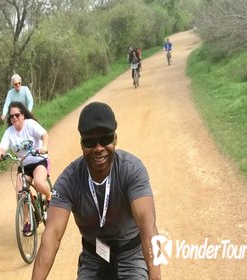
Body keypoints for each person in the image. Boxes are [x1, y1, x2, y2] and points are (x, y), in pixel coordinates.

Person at [31, 102, 161, 280]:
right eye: (90, 141)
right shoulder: (69, 180)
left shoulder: (131, 170)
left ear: (115, 139)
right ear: (82, 144)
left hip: (131, 255)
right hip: (94, 257)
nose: (98, 148)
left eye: (105, 139)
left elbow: (148, 228)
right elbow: (52, 236)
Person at [0, 101, 50, 236]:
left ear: (23, 115)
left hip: (39, 161)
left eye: (17, 115)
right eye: (11, 116)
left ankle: (49, 196)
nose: (14, 118)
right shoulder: (9, 133)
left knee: (38, 182)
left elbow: (45, 135)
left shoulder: (30, 125)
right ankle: (27, 222)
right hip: (23, 166)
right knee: (20, 192)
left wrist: (44, 147)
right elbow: (1, 148)